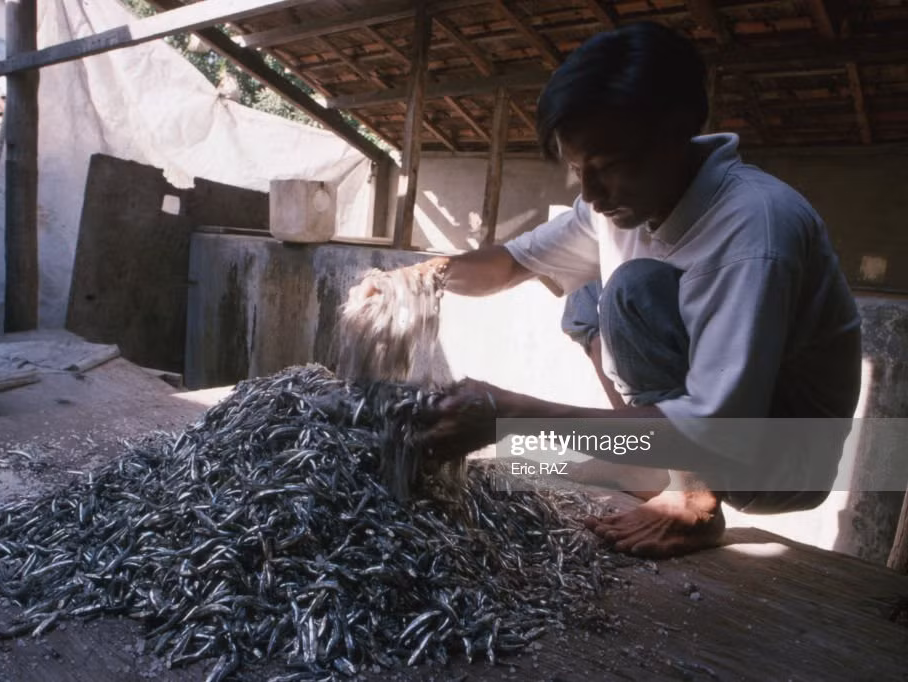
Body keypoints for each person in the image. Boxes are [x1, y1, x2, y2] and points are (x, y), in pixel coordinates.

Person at [349, 22, 861, 558]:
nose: (590, 193)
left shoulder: (755, 230)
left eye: (610, 167)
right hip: (716, 430)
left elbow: (722, 433)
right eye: (577, 169)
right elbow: (511, 264)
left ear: (679, 129)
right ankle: (655, 460)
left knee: (633, 290)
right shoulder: (620, 208)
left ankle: (693, 499)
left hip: (781, 457)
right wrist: (414, 281)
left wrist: (508, 412)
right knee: (584, 291)